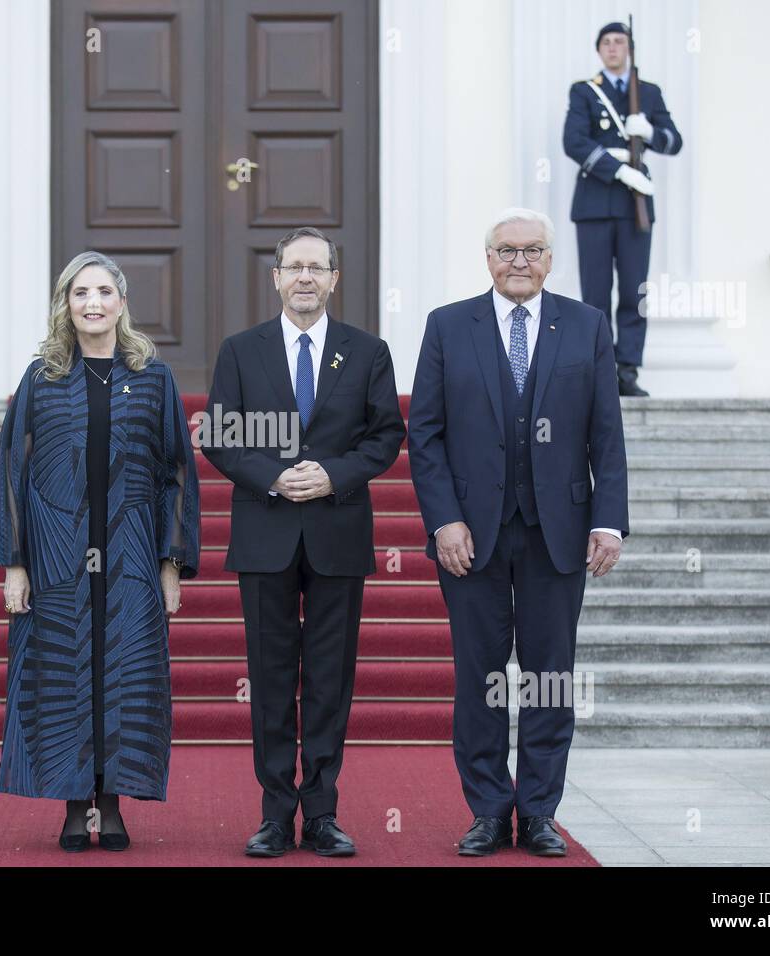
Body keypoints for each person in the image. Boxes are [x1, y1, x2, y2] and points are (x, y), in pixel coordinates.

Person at [407, 208, 628, 857]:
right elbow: (425, 433)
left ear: (551, 259)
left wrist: (609, 520)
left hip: (557, 533)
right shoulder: (448, 326)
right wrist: (444, 518)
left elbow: (606, 435)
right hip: (469, 535)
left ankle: (536, 812)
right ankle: (486, 808)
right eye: (507, 250)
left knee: (549, 676)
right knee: (478, 675)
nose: (520, 261)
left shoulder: (586, 326)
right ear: (488, 258)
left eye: (533, 250)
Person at [202, 226, 406, 858]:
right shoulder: (241, 350)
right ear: (277, 277)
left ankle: (321, 813)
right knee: (268, 680)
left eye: (317, 268)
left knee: (328, 679)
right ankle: (273, 814)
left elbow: (385, 435)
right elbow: (220, 433)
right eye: (295, 267)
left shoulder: (367, 352)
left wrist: (333, 475)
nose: (305, 278)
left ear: (334, 279)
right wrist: (273, 478)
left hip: (337, 532)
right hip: (266, 532)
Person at [0, 251, 200, 853]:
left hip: (130, 553)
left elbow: (176, 472)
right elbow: (13, 470)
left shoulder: (151, 376)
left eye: (104, 291)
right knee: (62, 672)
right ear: (66, 304)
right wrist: (16, 564)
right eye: (81, 293)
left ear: (122, 303)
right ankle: (73, 801)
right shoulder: (42, 376)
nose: (93, 303)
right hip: (57, 555)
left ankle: (112, 801)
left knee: (125, 673)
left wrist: (170, 563)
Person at [562, 20, 683, 397]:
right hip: (596, 201)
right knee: (596, 293)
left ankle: (628, 369)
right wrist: (619, 172)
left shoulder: (648, 93)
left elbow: (673, 141)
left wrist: (649, 132)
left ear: (629, 48)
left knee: (634, 290)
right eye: (607, 42)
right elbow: (573, 142)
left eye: (620, 42)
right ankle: (600, 370)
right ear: (599, 50)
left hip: (635, 206)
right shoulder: (585, 91)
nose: (613, 48)